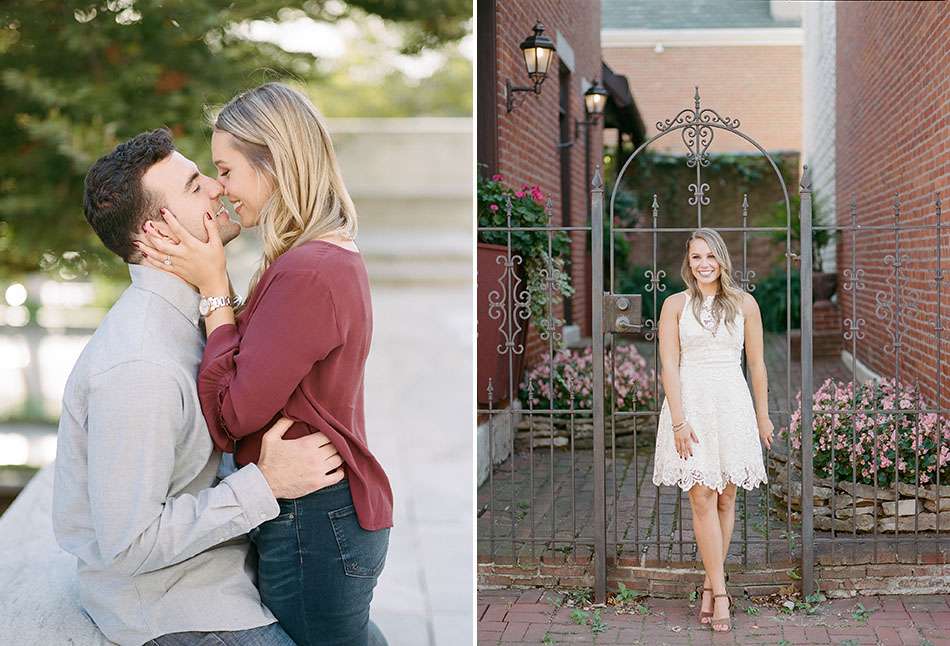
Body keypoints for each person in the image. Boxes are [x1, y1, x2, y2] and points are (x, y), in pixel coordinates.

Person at [53, 127, 347, 646]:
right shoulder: (139, 367)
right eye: (194, 186)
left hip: (231, 573)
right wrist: (266, 483)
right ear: (157, 234)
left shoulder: (189, 319)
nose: (216, 187)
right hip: (176, 605)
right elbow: (128, 544)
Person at [137, 83, 393, 646]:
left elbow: (233, 416)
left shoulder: (307, 271)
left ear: (272, 163)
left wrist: (212, 290)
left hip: (315, 523)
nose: (221, 190)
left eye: (226, 170)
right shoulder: (319, 256)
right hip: (319, 517)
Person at [651, 228, 773, 633]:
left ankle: (708, 583)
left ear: (722, 260)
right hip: (692, 406)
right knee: (701, 494)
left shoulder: (744, 304)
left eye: (710, 257)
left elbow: (756, 365)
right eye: (696, 257)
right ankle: (721, 593)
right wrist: (679, 421)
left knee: (726, 496)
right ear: (688, 262)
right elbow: (669, 365)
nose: (703, 264)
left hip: (731, 403)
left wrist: (763, 416)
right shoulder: (674, 305)